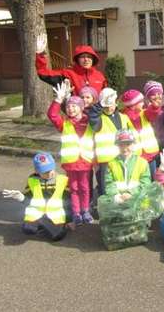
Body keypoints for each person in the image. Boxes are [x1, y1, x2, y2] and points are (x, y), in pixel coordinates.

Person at [48, 83, 94, 225]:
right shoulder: (65, 123)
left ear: (81, 108)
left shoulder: (90, 121)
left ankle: (85, 210)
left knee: (85, 187)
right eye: (68, 106)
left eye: (74, 106)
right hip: (71, 162)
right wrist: (58, 100)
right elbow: (52, 115)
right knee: (74, 188)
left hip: (85, 160)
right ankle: (76, 213)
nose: (70, 108)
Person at [2, 153, 71, 241]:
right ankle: (43, 225)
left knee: (58, 236)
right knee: (28, 230)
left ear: (54, 167)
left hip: (55, 216)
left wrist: (70, 220)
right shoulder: (32, 180)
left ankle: (49, 226)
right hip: (38, 215)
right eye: (45, 172)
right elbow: (29, 201)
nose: (49, 173)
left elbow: (69, 201)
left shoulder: (63, 180)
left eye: (50, 169)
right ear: (36, 171)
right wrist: (20, 197)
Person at [89, 88, 140, 196]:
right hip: (106, 161)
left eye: (111, 104)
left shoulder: (124, 117)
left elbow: (134, 136)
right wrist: (100, 104)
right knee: (106, 187)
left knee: (122, 186)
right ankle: (108, 209)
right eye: (106, 106)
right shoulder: (99, 119)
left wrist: (135, 154)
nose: (109, 108)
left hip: (123, 158)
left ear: (116, 103)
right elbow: (93, 116)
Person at [35, 37, 107, 95]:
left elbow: (105, 96)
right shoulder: (68, 74)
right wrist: (40, 55)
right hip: (74, 111)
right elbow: (43, 73)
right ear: (77, 59)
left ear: (93, 59)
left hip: (96, 112)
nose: (86, 59)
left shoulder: (99, 76)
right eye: (82, 57)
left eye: (89, 57)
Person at [103, 130, 151, 202]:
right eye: (121, 145)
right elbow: (109, 183)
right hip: (118, 201)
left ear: (133, 144)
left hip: (137, 200)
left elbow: (145, 184)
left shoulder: (142, 163)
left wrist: (131, 193)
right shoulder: (111, 164)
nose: (124, 148)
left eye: (128, 144)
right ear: (117, 146)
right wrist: (116, 195)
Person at [121, 89, 160, 176]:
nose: (143, 103)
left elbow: (153, 113)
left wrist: (155, 107)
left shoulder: (144, 113)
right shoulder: (124, 117)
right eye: (141, 101)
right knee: (141, 179)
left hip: (150, 154)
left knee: (153, 178)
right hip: (135, 156)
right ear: (133, 105)